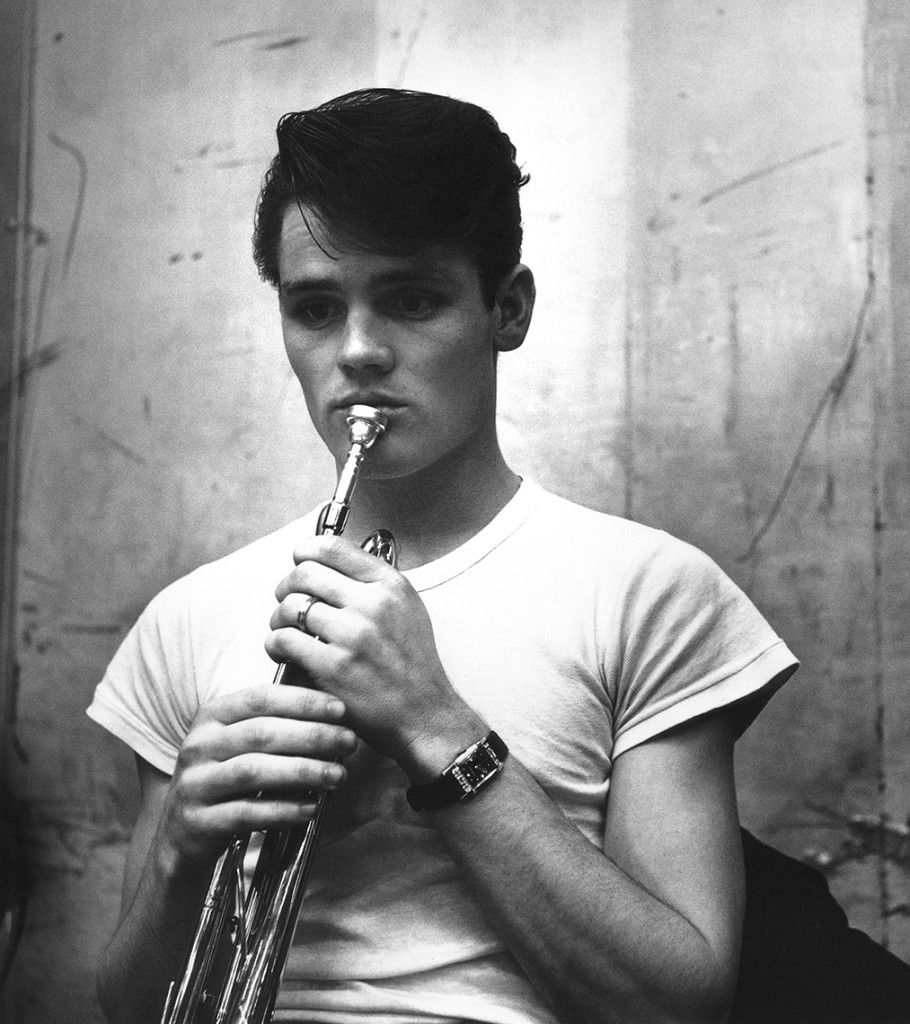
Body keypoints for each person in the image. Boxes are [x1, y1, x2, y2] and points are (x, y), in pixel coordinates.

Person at [88, 88, 801, 1024]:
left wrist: (436, 725)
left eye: (412, 299)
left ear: (507, 309)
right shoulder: (186, 618)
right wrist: (180, 855)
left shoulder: (649, 593)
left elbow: (677, 1009)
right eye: (314, 308)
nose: (357, 352)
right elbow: (131, 1009)